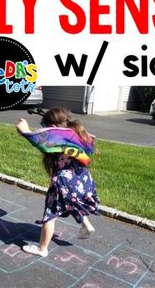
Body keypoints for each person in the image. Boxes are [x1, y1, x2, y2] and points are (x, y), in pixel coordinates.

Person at [16, 108, 99, 257]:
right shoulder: (77, 135)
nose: (43, 130)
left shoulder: (58, 140)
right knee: (71, 201)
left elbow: (40, 141)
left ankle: (42, 249)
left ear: (53, 128)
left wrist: (25, 131)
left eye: (45, 127)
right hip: (82, 180)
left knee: (50, 214)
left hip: (64, 182)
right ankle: (86, 225)